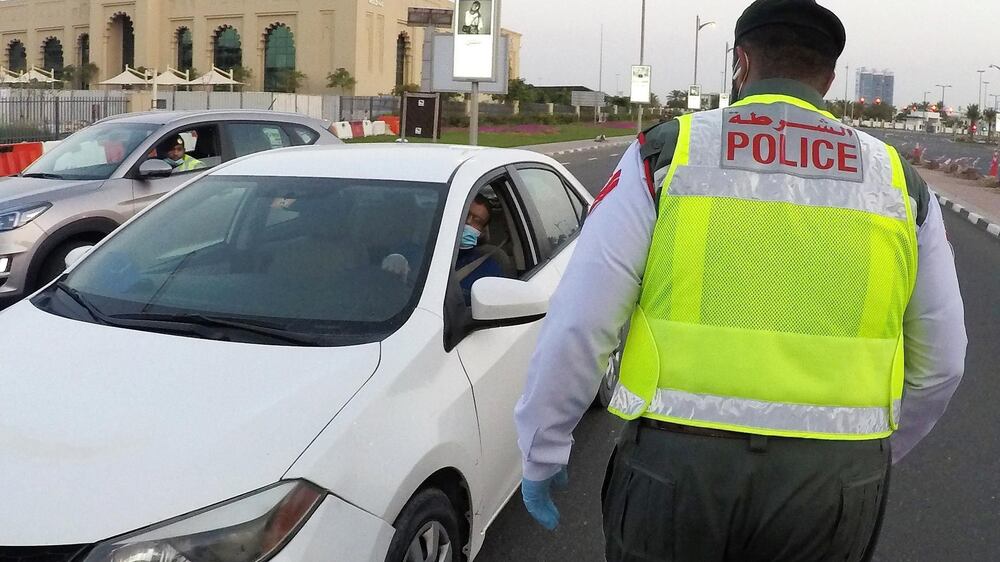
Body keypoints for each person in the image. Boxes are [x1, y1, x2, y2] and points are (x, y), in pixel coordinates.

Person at [514, 1, 968, 560]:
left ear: (742, 62)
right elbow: (944, 361)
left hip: (674, 468)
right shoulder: (898, 180)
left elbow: (582, 320)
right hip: (833, 482)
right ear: (828, 77)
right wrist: (871, 452)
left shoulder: (667, 153)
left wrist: (545, 449)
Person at [455, 194, 502, 301]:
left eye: (477, 221)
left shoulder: (489, 270)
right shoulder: (423, 253)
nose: (468, 221)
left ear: (482, 232)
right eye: (465, 214)